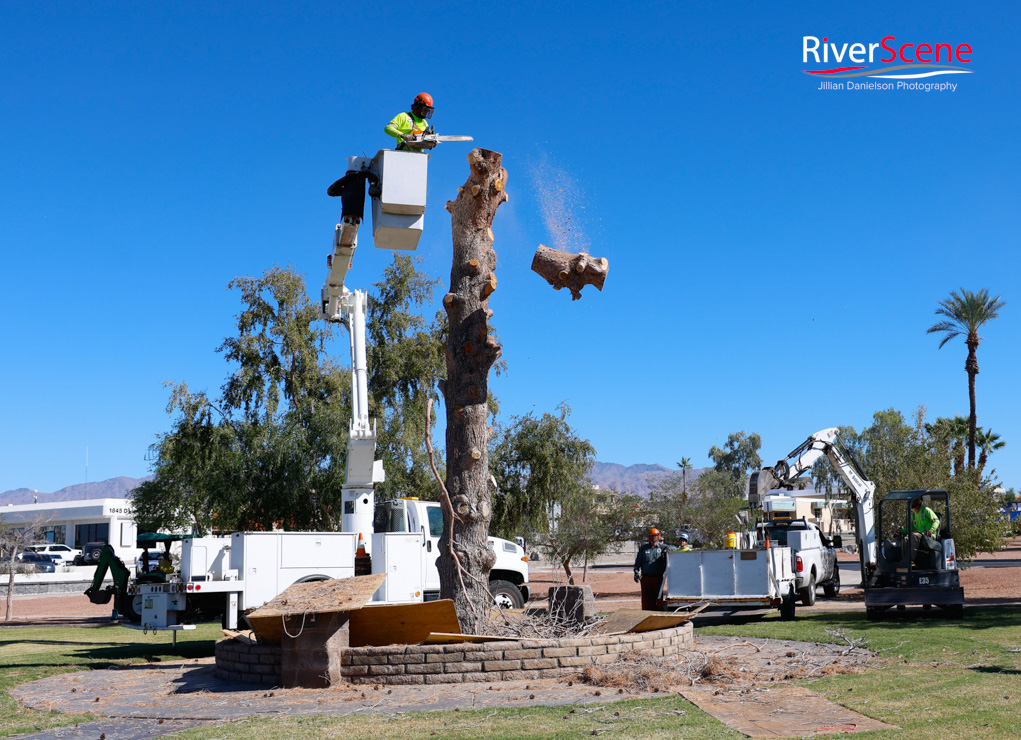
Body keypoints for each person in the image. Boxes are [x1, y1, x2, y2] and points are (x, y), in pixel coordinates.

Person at [633, 528, 673, 610]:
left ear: (659, 537)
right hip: (646, 579)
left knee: (659, 601)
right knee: (646, 601)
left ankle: (659, 618)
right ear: (649, 537)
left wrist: (668, 550)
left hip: (658, 579)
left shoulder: (662, 547)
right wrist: (636, 573)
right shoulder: (643, 549)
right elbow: (638, 562)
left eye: (656, 536)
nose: (654, 538)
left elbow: (674, 548)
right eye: (652, 536)